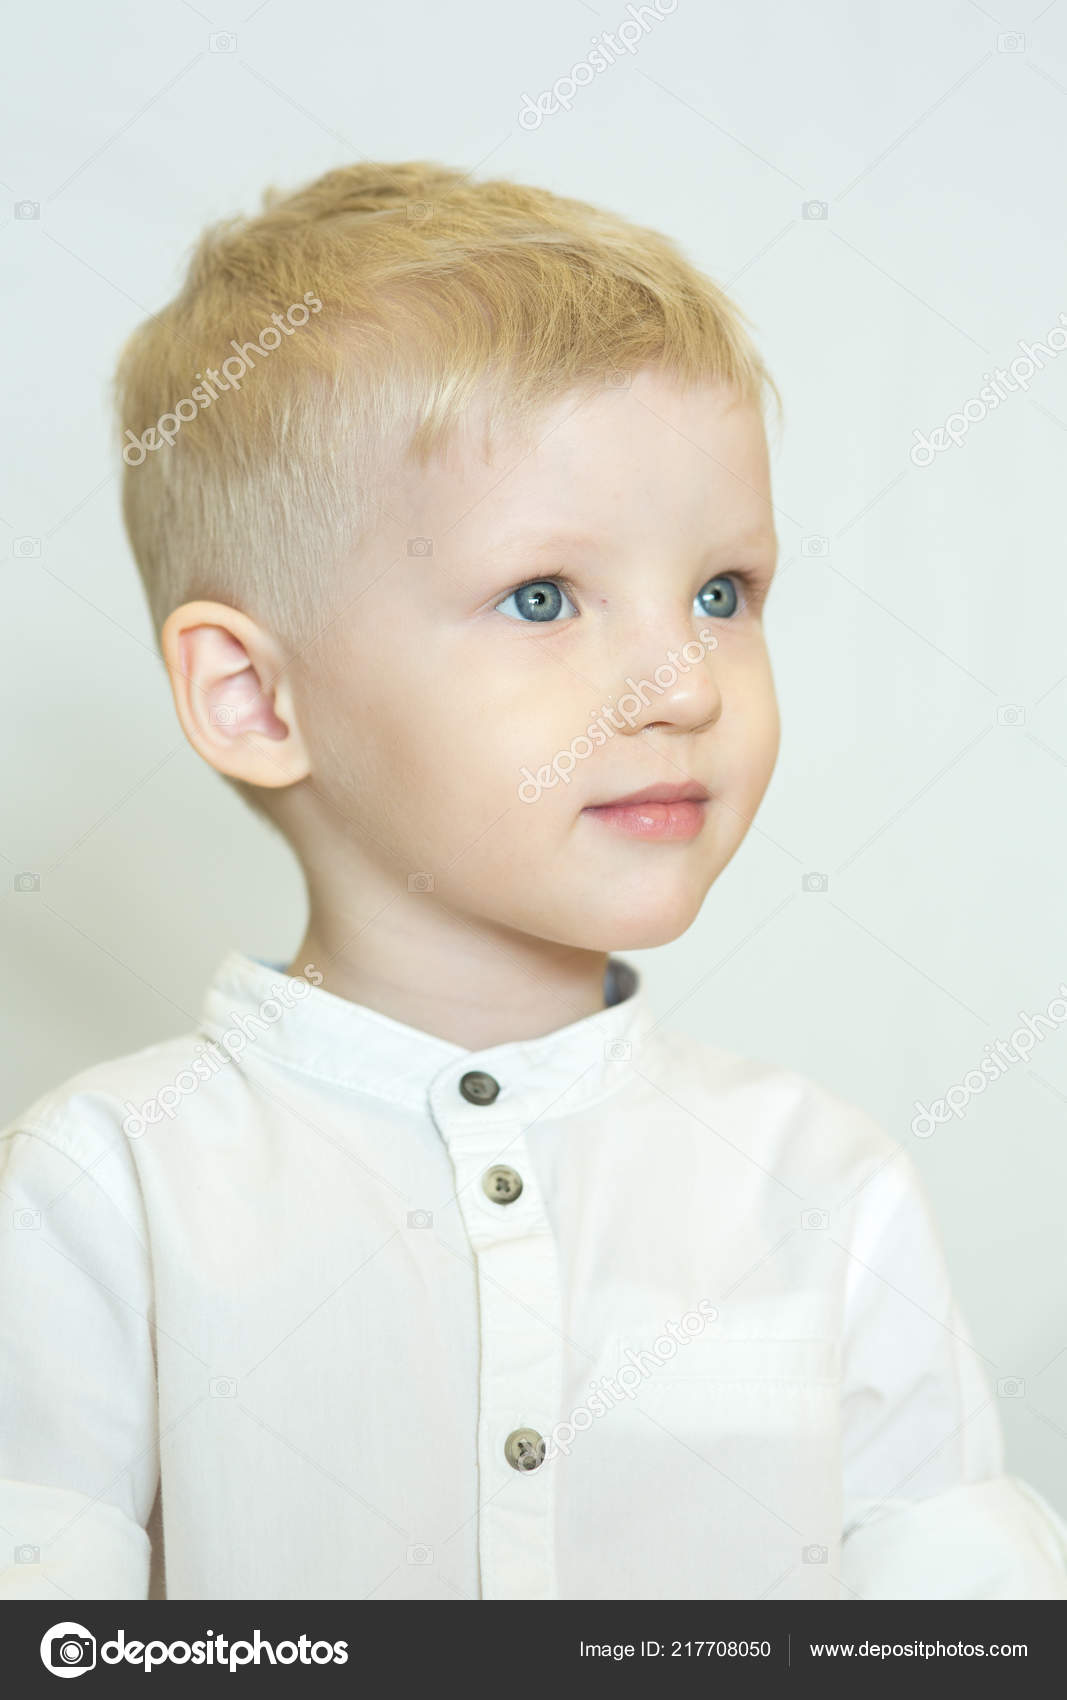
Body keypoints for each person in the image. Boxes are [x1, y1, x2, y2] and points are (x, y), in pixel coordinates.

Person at [2, 161, 1065, 1600]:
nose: (684, 686)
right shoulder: (108, 1191)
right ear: (255, 697)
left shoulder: (823, 1186)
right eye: (544, 599)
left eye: (721, 593)